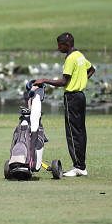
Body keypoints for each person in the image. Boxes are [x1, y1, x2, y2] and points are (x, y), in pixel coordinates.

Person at [32, 32, 95, 177]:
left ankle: (78, 167)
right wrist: (81, 81)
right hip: (81, 96)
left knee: (72, 133)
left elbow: (63, 82)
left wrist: (44, 80)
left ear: (65, 45)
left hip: (72, 97)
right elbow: (92, 69)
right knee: (80, 132)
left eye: (59, 45)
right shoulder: (79, 55)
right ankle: (81, 165)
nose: (58, 48)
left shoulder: (70, 58)